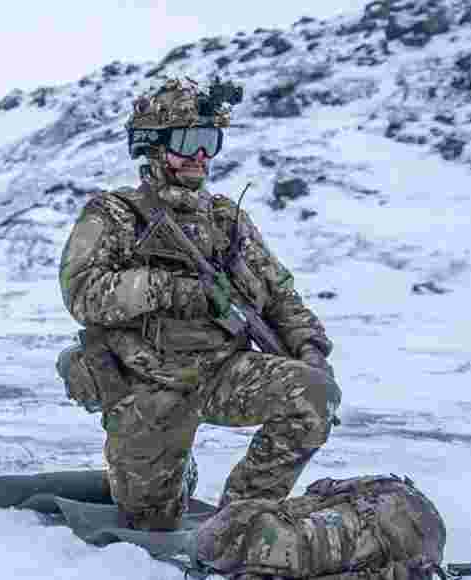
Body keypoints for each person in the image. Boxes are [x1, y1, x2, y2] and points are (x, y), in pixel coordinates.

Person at [57, 77, 340, 531]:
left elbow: (280, 294)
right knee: (150, 522)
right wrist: (172, 290)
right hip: (149, 383)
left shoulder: (226, 218)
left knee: (312, 395)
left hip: (222, 371)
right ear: (154, 146)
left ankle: (239, 521)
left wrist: (309, 348)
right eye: (188, 140)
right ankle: (166, 476)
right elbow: (83, 292)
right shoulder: (114, 215)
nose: (201, 154)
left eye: (210, 140)